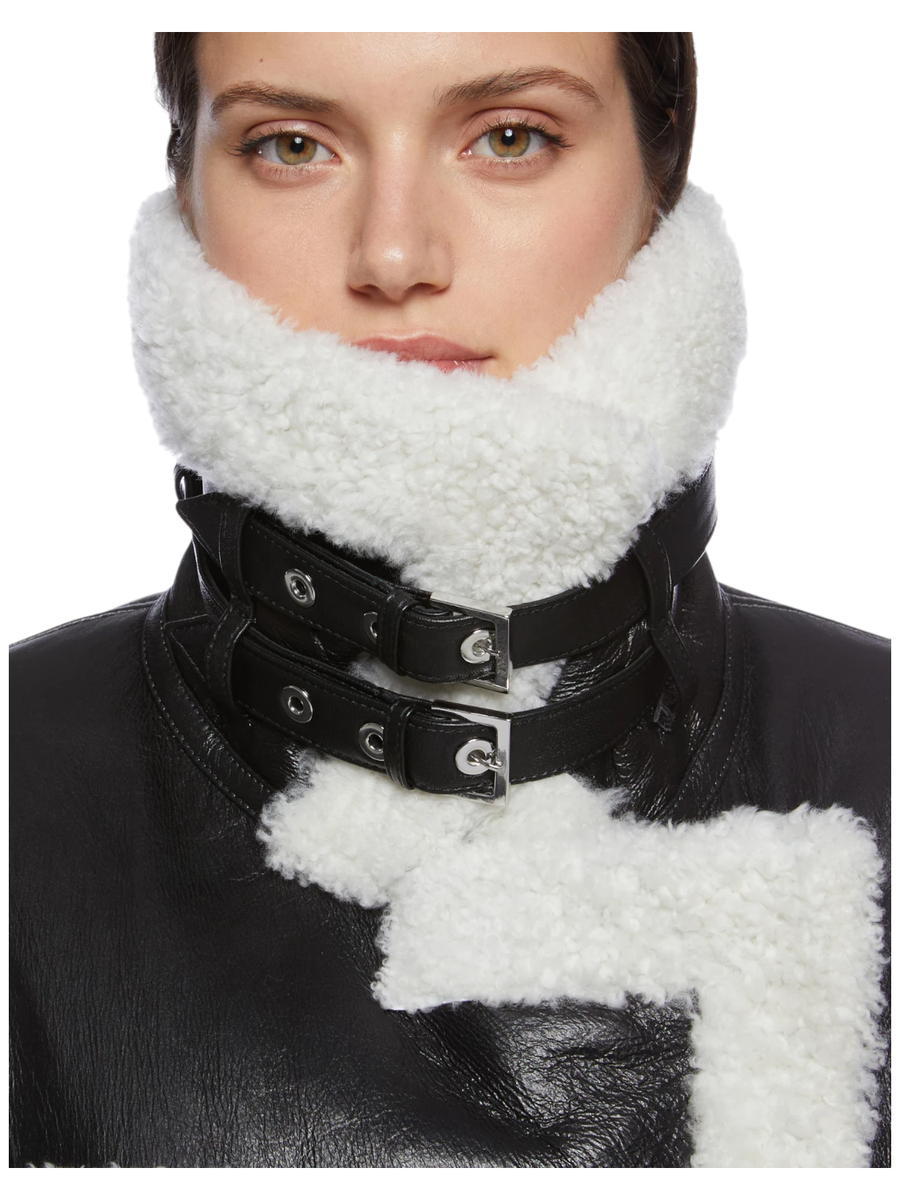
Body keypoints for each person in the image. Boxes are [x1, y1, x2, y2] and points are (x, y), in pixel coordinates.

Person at [10, 32, 889, 1169]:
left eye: (510, 138)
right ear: (187, 178)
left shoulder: (874, 736)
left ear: (660, 172)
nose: (393, 254)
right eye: (292, 146)